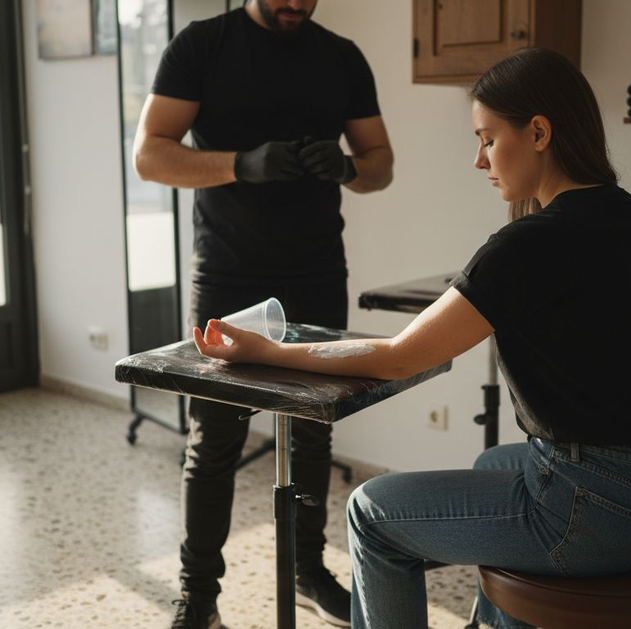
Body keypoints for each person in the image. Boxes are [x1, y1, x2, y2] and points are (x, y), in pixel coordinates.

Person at [193, 47, 631, 629]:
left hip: (596, 515)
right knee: (492, 462)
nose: (479, 159)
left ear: (538, 132)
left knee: (370, 512)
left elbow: (397, 356)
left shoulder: (527, 245)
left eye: (487, 138)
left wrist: (271, 351)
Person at [133, 1, 393, 627]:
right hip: (229, 274)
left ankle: (307, 570)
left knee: (313, 432)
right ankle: (199, 596)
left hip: (317, 272)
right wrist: (238, 165)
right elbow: (150, 155)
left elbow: (380, 164)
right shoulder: (201, 47)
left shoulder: (341, 57)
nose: (296, 4)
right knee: (215, 439)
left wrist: (350, 168)